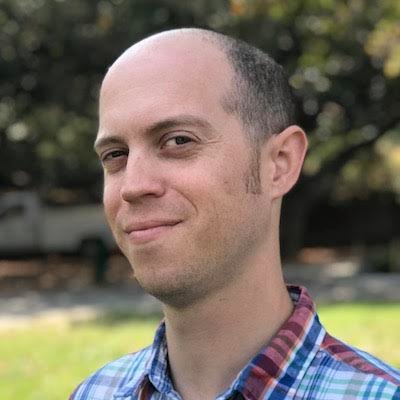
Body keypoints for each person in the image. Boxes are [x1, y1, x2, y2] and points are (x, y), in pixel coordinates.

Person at [70, 28, 400, 400]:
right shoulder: (95, 392)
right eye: (115, 155)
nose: (133, 186)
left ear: (279, 163)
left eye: (179, 140)